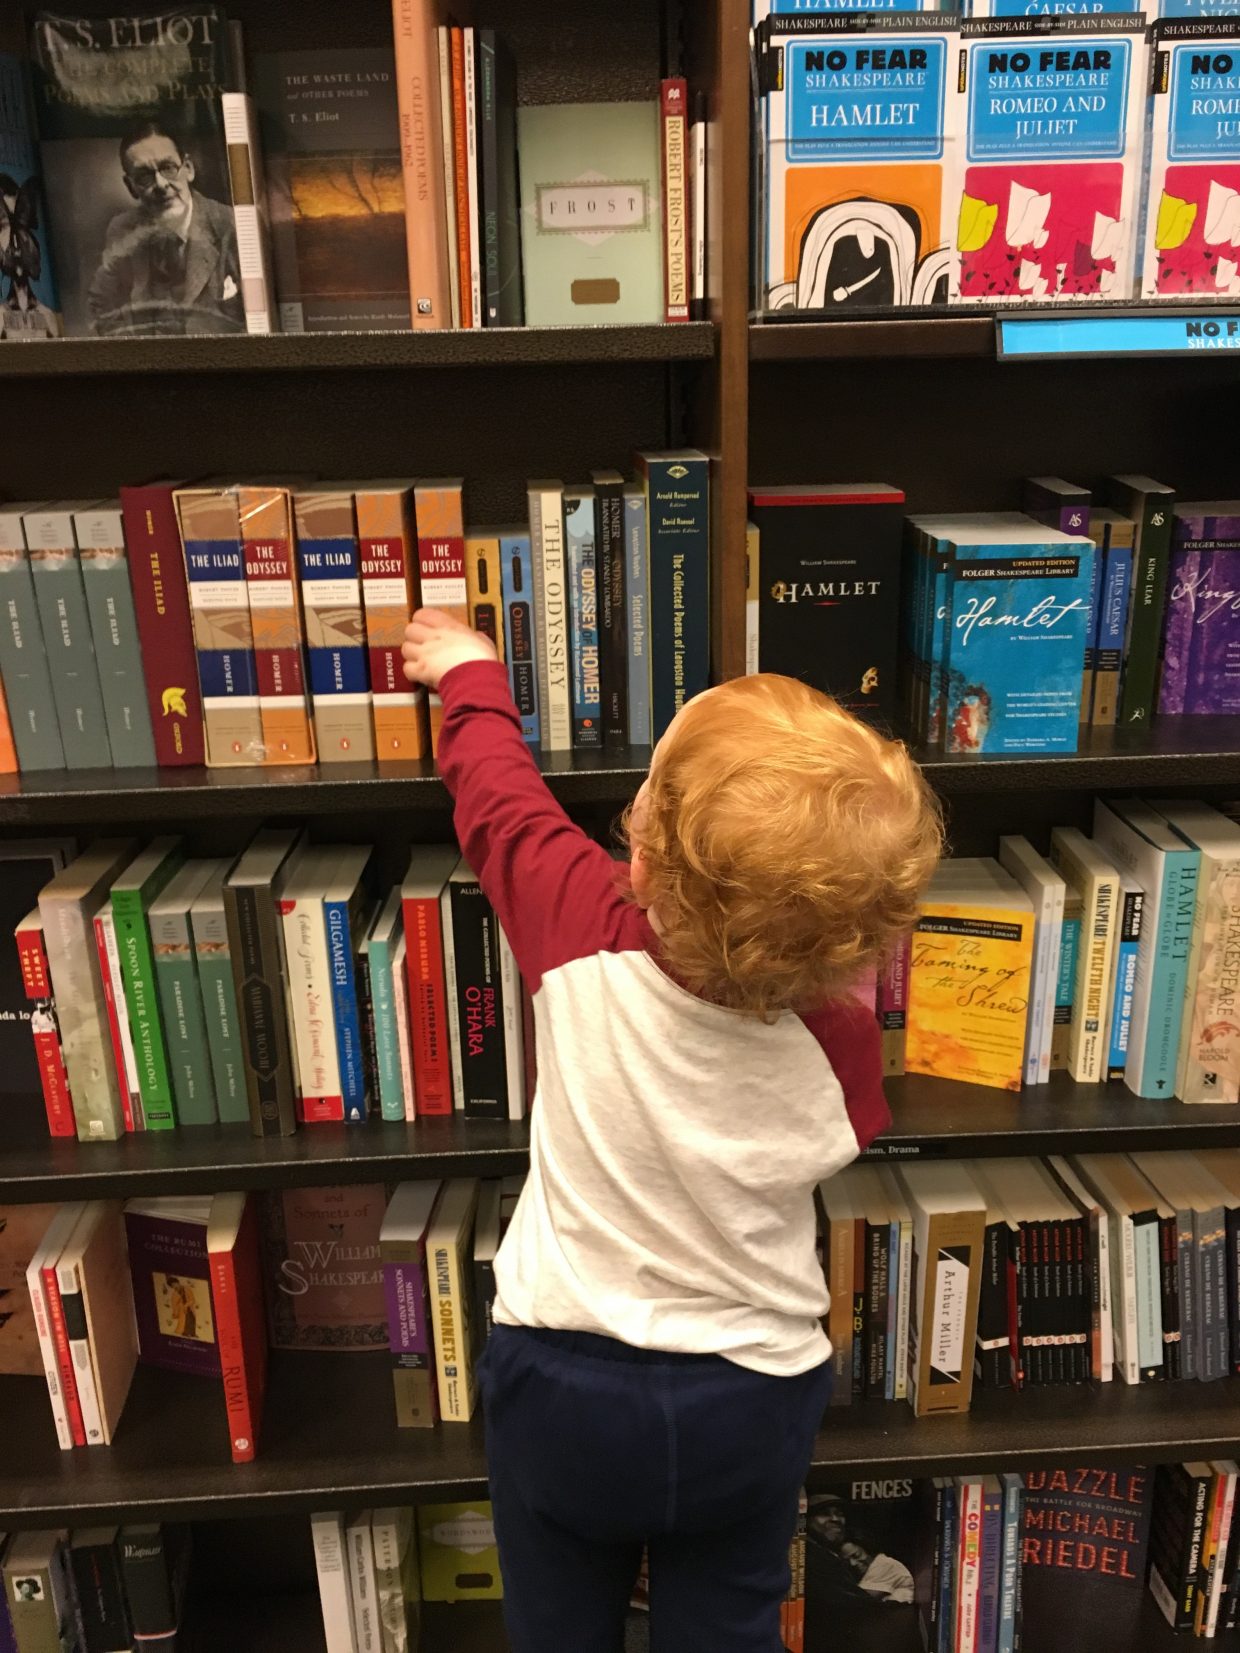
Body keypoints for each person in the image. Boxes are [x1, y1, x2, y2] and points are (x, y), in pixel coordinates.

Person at [401, 609, 942, 1653]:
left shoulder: (578, 929)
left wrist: (471, 676)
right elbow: (850, 1134)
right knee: (728, 1624)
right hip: (750, 1396)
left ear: (642, 867)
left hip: (560, 1381)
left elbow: (500, 804)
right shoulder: (839, 1038)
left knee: (556, 1627)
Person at [88, 121, 243, 336]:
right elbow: (101, 306)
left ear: (188, 169)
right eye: (144, 176)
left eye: (168, 168)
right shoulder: (122, 229)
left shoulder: (232, 225)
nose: (160, 184)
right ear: (131, 186)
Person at [837, 1538, 915, 1605]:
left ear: (868, 1549)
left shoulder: (884, 1564)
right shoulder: (867, 1572)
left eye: (856, 1555)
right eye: (847, 1561)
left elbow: (862, 1600)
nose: (852, 1563)